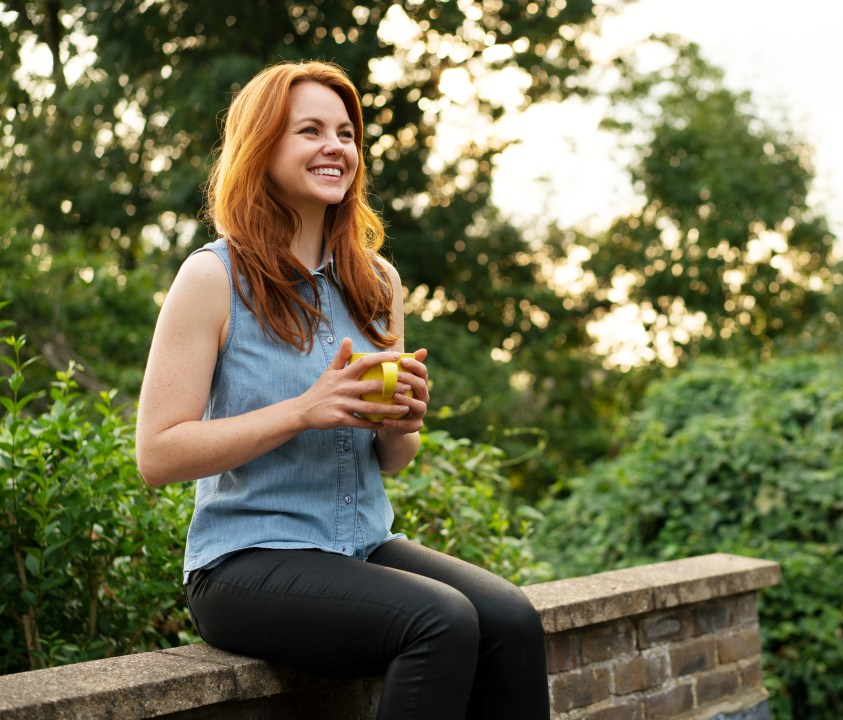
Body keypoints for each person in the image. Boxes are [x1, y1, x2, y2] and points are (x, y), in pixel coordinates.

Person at [135, 60, 550, 720]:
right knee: (439, 621)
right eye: (310, 130)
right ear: (262, 146)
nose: (336, 146)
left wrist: (401, 422)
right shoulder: (212, 278)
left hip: (359, 546)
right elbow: (158, 454)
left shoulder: (377, 283)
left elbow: (391, 459)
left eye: (346, 133)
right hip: (244, 561)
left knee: (514, 621)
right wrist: (303, 411)